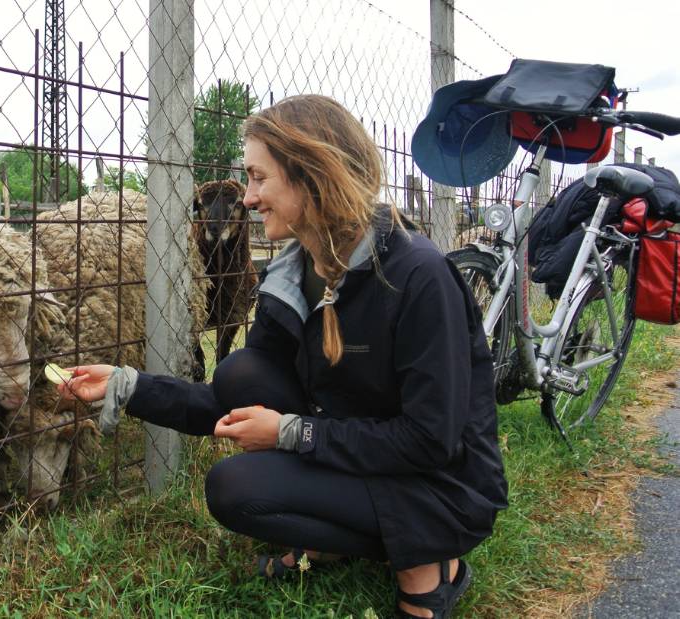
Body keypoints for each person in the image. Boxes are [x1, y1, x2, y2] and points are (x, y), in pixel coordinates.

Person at [57, 94, 507, 619]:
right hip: (361, 450)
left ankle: (432, 568)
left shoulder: (416, 275)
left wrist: (292, 432)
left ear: (312, 175)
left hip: (443, 485)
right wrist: (126, 386)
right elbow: (224, 401)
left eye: (258, 177)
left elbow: (431, 440)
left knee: (240, 476)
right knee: (240, 389)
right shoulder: (289, 277)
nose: (248, 198)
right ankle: (343, 540)